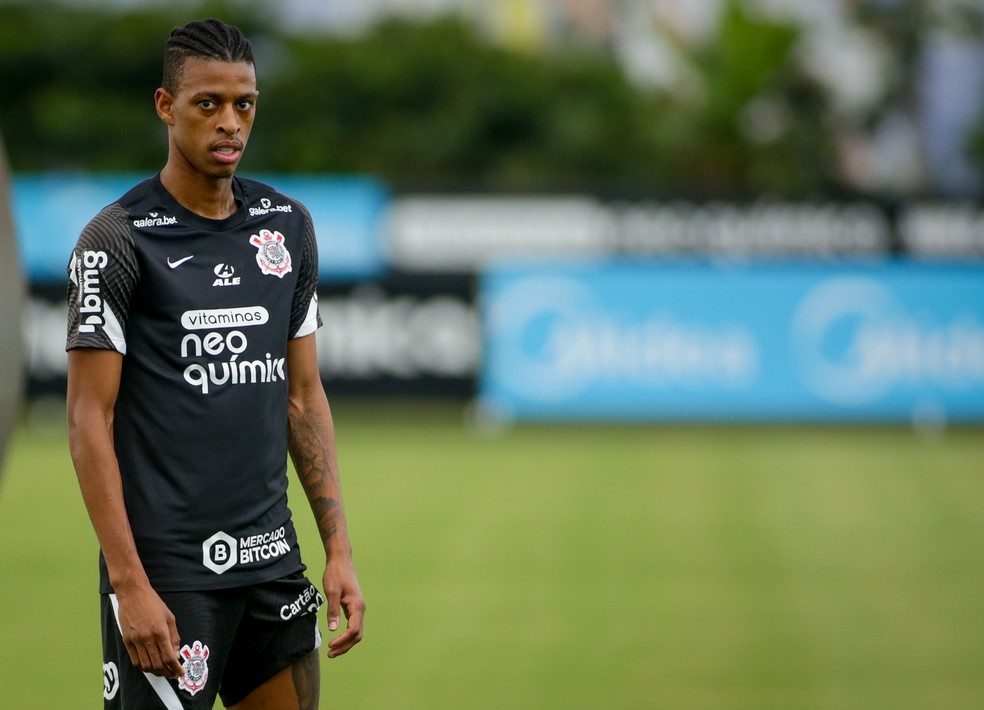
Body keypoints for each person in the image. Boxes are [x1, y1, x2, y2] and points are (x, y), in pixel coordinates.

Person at [66, 18, 365, 709]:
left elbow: (303, 397)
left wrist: (339, 549)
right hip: (168, 579)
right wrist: (129, 585)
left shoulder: (287, 226)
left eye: (245, 104)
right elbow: (88, 419)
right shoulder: (116, 241)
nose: (230, 122)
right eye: (209, 104)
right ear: (166, 107)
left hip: (273, 567)